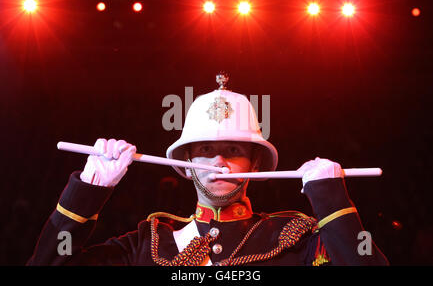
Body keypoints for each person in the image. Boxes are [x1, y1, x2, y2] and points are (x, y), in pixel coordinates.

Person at [27, 74, 388, 266]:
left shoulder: (295, 239)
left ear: (255, 163)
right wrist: (86, 195)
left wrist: (332, 205)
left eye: (233, 150)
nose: (219, 162)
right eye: (205, 151)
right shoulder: (147, 244)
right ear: (186, 166)